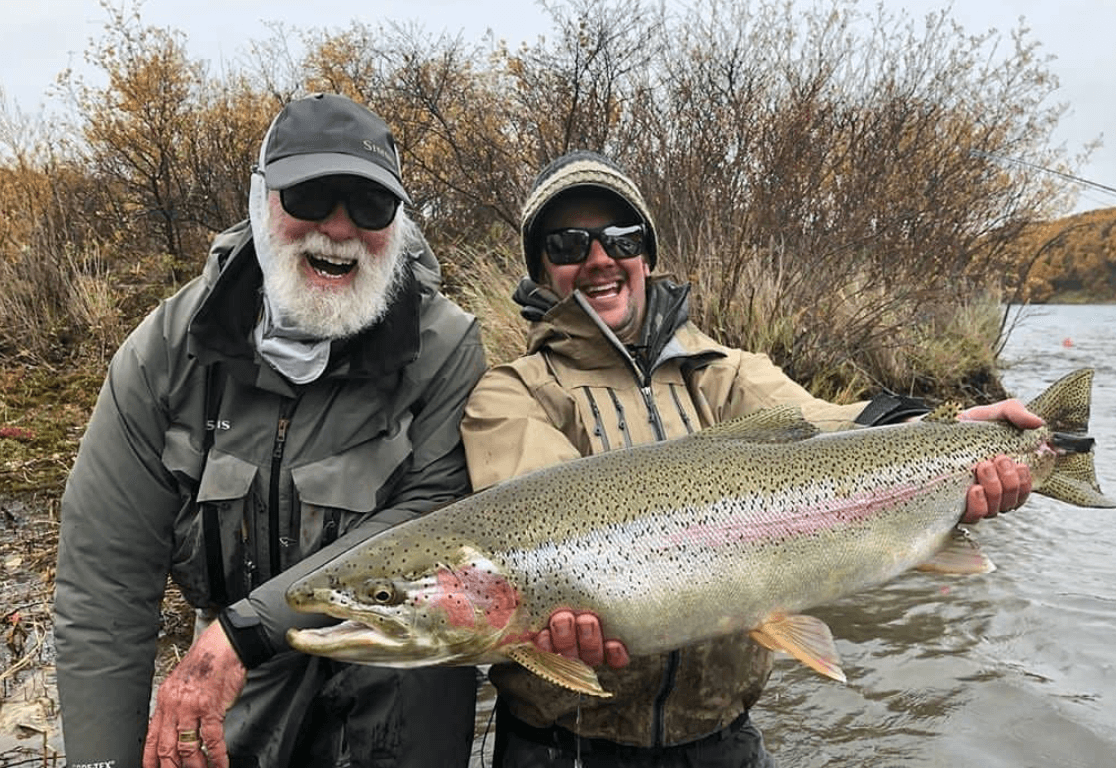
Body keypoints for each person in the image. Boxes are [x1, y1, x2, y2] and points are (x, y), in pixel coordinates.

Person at [459, 149, 1040, 767]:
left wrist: (948, 436)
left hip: (724, 739)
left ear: (646, 256)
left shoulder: (725, 371)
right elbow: (532, 528)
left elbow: (831, 428)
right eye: (569, 243)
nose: (599, 258)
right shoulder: (513, 392)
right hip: (565, 746)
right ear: (542, 270)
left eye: (620, 237)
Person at [54, 93, 487, 768]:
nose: (339, 229)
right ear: (261, 201)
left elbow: (430, 523)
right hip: (238, 677)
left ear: (397, 221)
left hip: (389, 673)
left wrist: (246, 629)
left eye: (370, 207)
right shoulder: (165, 355)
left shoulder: (447, 348)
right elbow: (104, 583)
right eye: (311, 196)